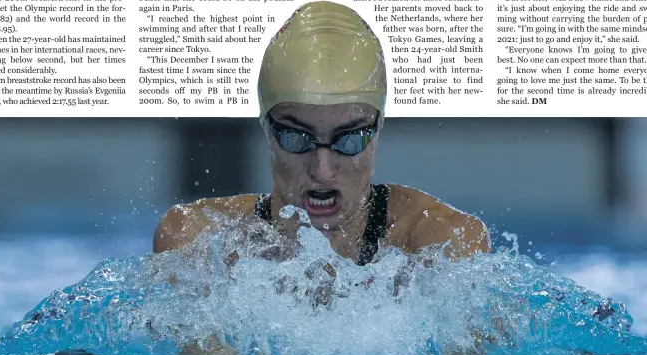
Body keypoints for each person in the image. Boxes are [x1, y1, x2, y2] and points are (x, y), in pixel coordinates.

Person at [154, 1, 491, 265]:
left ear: (378, 130)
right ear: (266, 130)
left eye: (350, 140)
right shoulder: (198, 243)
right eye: (296, 139)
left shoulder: (441, 244)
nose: (322, 170)